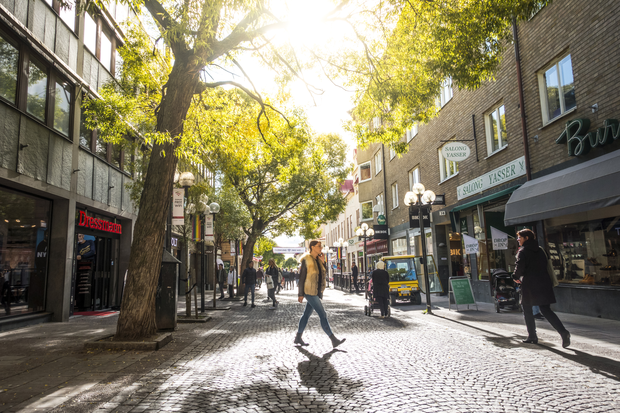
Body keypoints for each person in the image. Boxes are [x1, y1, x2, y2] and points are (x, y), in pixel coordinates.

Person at [513, 229, 570, 347]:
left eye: (520, 237)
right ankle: (563, 332)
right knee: (546, 309)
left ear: (526, 238)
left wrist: (515, 276)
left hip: (529, 285)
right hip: (544, 283)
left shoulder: (522, 251)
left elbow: (520, 267)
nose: (518, 239)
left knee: (527, 310)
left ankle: (532, 336)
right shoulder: (541, 250)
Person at [295, 240, 345, 348]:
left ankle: (298, 337)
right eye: (318, 246)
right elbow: (302, 277)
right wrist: (300, 294)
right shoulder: (306, 259)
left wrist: (323, 262)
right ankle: (333, 339)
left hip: (316, 291)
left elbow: (323, 274)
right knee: (322, 314)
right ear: (312, 247)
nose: (321, 248)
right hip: (309, 291)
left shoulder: (318, 259)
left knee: (306, 315)